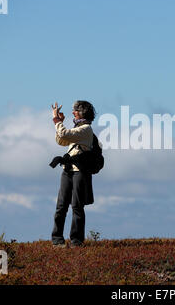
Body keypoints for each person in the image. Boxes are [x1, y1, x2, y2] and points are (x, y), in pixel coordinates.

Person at [51, 100, 96, 247]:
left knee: (77, 206)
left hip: (80, 171)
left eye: (75, 110)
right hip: (68, 170)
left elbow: (63, 133)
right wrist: (60, 122)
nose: (73, 112)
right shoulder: (78, 129)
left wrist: (56, 120)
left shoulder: (86, 129)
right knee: (61, 205)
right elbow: (61, 140)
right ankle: (57, 239)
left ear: (83, 113)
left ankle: (76, 241)